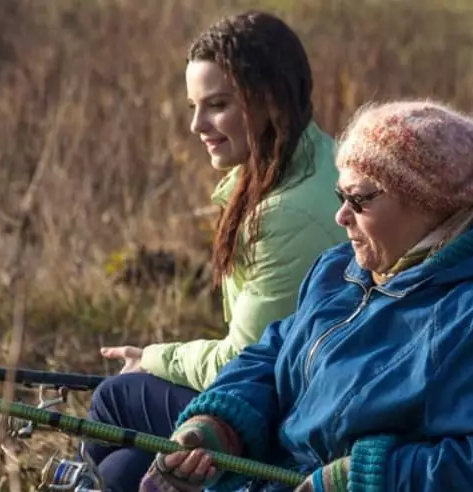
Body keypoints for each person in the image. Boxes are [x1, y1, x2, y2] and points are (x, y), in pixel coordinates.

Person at [139, 99, 473, 492]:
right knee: (126, 461)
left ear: (433, 205)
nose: (341, 216)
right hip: (269, 475)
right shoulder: (346, 269)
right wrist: (220, 424)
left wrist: (360, 479)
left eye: (360, 199)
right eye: (340, 195)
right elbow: (275, 354)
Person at [83, 11, 347, 492]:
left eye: (217, 105)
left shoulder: (288, 215)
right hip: (292, 395)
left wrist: (154, 358)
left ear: (270, 99)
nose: (196, 124)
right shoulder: (319, 156)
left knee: (115, 397)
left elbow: (246, 360)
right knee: (124, 470)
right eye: (192, 106)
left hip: (290, 416)